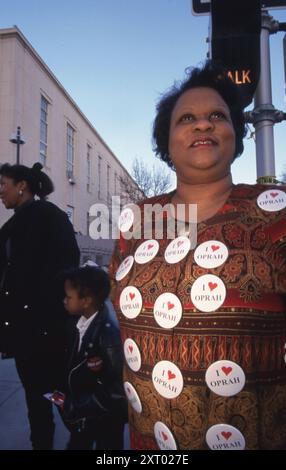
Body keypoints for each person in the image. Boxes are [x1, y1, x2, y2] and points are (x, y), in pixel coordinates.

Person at [109, 61, 286, 450]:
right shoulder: (135, 222)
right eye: (186, 118)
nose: (203, 125)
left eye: (217, 116)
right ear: (167, 142)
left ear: (235, 136)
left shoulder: (276, 214)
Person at [0, 162, 80, 450]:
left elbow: (69, 269)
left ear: (22, 186)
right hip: (24, 337)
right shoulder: (11, 227)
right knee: (38, 398)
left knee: (57, 396)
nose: (0, 192)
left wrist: (52, 318)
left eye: (3, 185)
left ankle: (87, 437)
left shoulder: (49, 217)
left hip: (47, 335)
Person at [61, 265, 127, 450]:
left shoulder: (108, 336)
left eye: (69, 297)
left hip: (106, 420)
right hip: (85, 417)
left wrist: (80, 406)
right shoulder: (75, 325)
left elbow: (116, 390)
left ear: (86, 301)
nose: (64, 301)